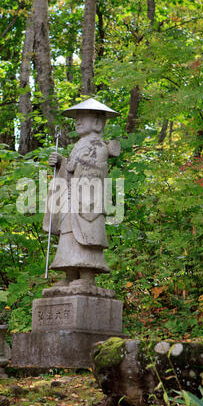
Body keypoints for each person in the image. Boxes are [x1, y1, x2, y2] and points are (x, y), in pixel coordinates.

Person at [43, 98, 120, 287]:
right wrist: (61, 163)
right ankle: (70, 274)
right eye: (77, 118)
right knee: (68, 234)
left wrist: (71, 166)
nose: (78, 121)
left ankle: (87, 276)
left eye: (83, 118)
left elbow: (93, 171)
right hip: (72, 200)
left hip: (87, 200)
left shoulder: (99, 147)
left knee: (86, 236)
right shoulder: (78, 146)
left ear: (97, 122)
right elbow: (70, 171)